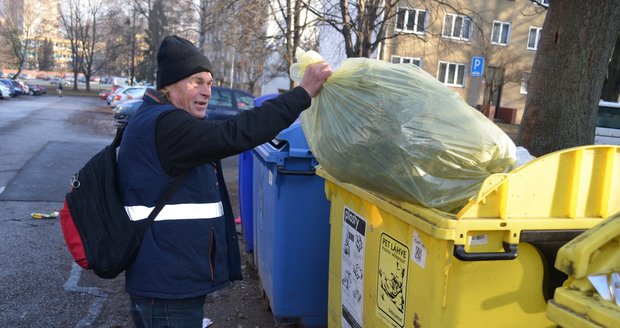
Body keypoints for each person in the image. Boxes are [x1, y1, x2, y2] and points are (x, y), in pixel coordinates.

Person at [116, 35, 331, 328]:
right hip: (168, 285)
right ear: (169, 85)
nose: (207, 92)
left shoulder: (157, 119)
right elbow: (234, 133)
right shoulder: (165, 123)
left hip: (167, 277)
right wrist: (303, 93)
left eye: (209, 82)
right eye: (196, 82)